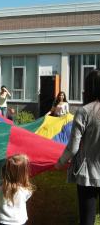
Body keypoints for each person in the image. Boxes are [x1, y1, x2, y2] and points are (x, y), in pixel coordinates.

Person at [55, 69, 100, 225]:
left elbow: (72, 147)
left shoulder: (84, 112)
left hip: (88, 174)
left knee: (87, 219)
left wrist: (60, 162)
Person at [0, 154, 35, 225]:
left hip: (2, 220)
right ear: (24, 173)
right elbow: (27, 197)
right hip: (19, 221)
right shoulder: (25, 190)